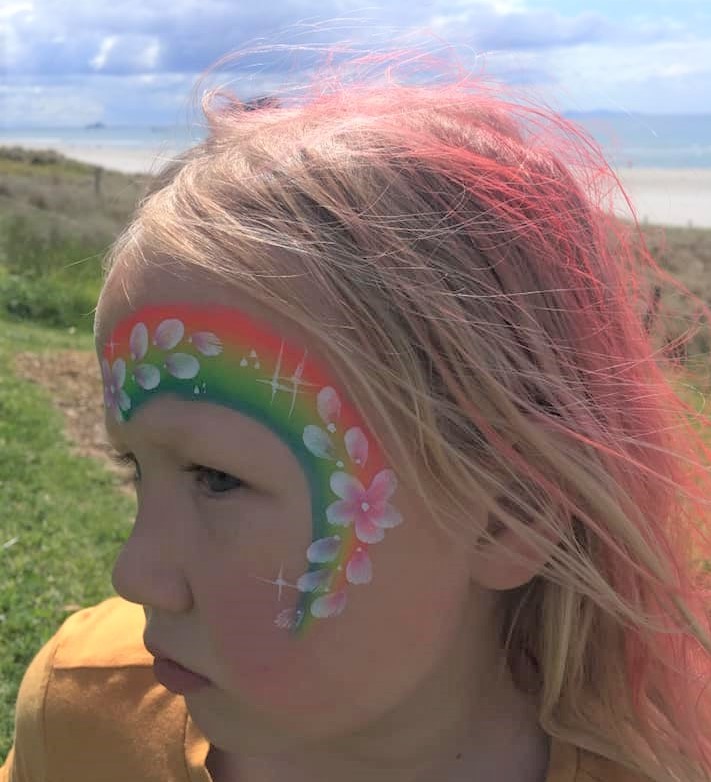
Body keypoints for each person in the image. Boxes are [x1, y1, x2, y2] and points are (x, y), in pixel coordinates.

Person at [3, 47, 711, 782]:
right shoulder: (82, 718)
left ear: (509, 515)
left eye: (217, 479)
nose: (134, 573)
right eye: (135, 468)